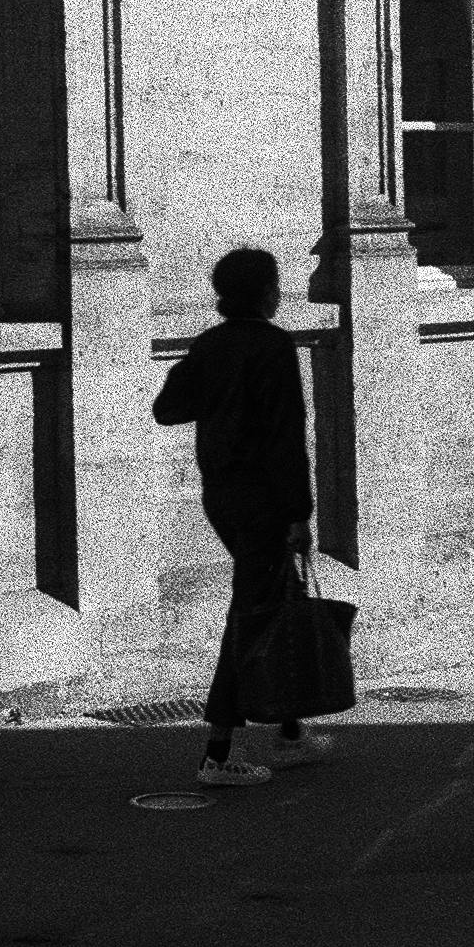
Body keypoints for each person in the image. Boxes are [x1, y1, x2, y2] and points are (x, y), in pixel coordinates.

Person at [152, 246, 336, 787]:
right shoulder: (274, 348)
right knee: (250, 614)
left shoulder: (210, 346)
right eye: (276, 284)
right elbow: (286, 438)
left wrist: (217, 391)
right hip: (263, 502)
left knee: (272, 598)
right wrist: (299, 514)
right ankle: (217, 754)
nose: (281, 293)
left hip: (222, 497)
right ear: (264, 293)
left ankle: (290, 729)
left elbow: (168, 408)